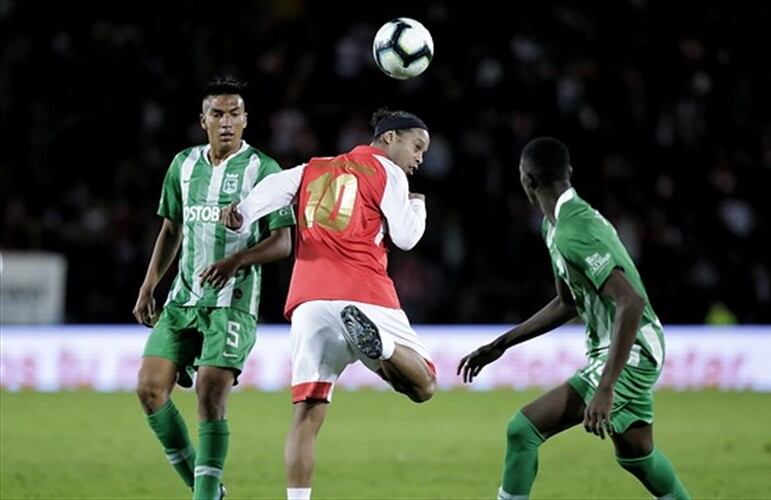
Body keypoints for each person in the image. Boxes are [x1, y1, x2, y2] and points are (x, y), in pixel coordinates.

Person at [218, 108, 437, 500]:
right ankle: (382, 346)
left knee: (307, 414)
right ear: (389, 139)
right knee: (423, 383)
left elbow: (275, 187)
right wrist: (418, 205)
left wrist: (244, 215)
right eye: (416, 146)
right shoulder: (387, 171)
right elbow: (406, 238)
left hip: (310, 303)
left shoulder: (312, 168)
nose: (419, 157)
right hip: (365, 293)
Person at [458, 137, 690, 500]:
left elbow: (631, 302)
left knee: (522, 431)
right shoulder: (555, 227)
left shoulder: (574, 230)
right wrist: (501, 344)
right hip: (623, 348)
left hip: (632, 352)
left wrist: (606, 387)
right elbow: (568, 302)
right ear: (568, 173)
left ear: (528, 181)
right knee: (637, 456)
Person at [133, 76, 296, 500]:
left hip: (232, 303)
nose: (227, 122)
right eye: (218, 114)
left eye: (235, 114)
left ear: (246, 120)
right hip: (183, 299)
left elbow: (283, 242)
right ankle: (208, 490)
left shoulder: (265, 170)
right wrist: (150, 284)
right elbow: (171, 228)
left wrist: (235, 260)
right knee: (149, 389)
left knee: (209, 393)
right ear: (202, 120)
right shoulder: (183, 165)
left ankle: (204, 497)